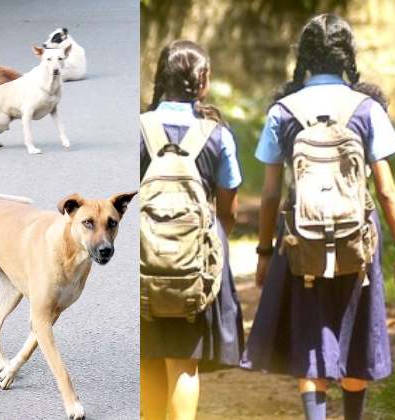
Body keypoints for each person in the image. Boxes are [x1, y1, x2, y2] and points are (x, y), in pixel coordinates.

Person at [240, 14, 395, 420]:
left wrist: (264, 251)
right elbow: (386, 189)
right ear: (347, 56)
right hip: (358, 239)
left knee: (309, 335)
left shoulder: (282, 111)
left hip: (300, 239)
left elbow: (269, 194)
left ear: (302, 56)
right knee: (355, 335)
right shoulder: (367, 108)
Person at [139, 40, 245, 420]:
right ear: (203, 81)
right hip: (193, 267)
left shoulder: (139, 128)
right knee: (184, 364)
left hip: (143, 263)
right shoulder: (217, 135)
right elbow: (228, 211)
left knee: (148, 358)